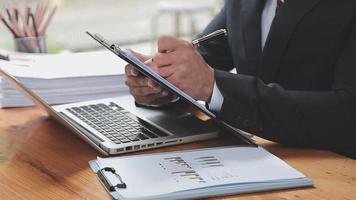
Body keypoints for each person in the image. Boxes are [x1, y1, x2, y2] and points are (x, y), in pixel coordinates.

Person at [125, 0, 356, 158]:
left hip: (334, 168)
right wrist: (163, 83)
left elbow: (347, 114)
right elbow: (206, 59)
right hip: (260, 157)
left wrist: (211, 84)